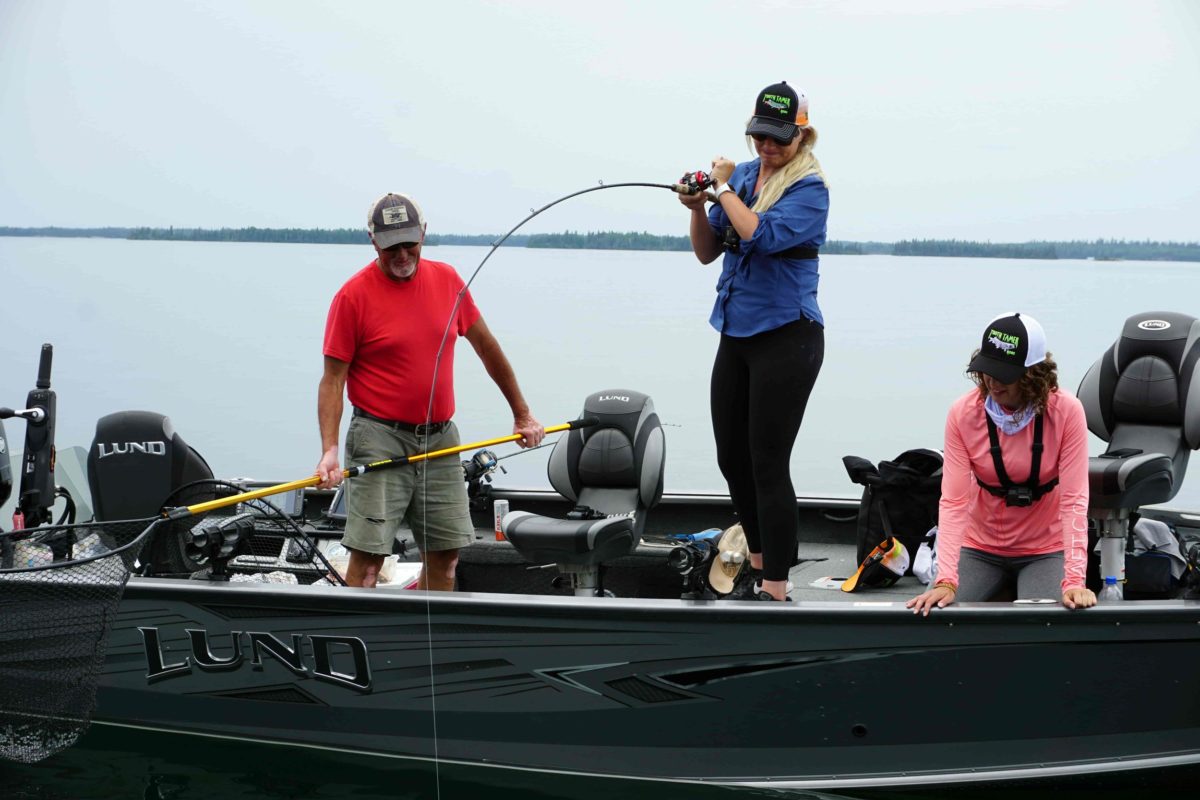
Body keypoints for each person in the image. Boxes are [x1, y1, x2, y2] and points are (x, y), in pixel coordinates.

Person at [316, 192, 545, 590]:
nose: (402, 255)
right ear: (373, 241)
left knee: (447, 559)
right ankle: (359, 642)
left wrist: (522, 413)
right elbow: (333, 380)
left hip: (441, 439)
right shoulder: (352, 296)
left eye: (410, 244)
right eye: (391, 248)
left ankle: (425, 644)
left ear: (423, 233)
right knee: (369, 563)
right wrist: (330, 450)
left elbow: (487, 348)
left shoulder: (449, 281)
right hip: (378, 439)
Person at [678, 81, 829, 601]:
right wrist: (698, 205)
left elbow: (759, 235)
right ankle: (759, 564)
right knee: (731, 458)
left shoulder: (811, 189)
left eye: (778, 139)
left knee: (768, 460)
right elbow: (707, 252)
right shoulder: (741, 177)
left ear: (802, 136)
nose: (767, 147)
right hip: (736, 332)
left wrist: (720, 189)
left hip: (789, 337)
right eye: (760, 135)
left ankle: (776, 587)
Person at [907, 312, 1096, 615]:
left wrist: (1074, 579)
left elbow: (1074, 501)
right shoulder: (963, 413)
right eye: (986, 371)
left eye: (1004, 375)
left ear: (1033, 374)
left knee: (1044, 625)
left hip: (1044, 551)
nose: (992, 383)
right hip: (978, 547)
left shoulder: (1067, 412)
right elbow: (954, 501)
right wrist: (946, 579)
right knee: (935, 613)